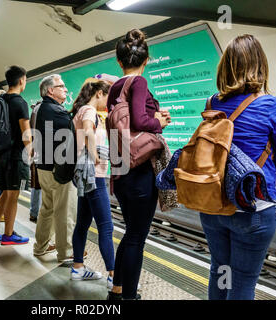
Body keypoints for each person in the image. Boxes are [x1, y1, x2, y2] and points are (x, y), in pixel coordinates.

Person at [199, 34, 276, 300]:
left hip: (214, 205)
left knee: (220, 271)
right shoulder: (270, 105)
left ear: (225, 67)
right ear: (260, 66)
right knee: (242, 283)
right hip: (254, 208)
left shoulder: (212, 104)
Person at [106, 29, 171, 300]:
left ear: (119, 61)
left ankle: (118, 290)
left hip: (121, 173)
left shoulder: (114, 88)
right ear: (147, 60)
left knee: (129, 233)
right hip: (140, 173)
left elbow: (128, 122)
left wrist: (152, 114)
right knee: (136, 238)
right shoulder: (139, 83)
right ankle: (129, 298)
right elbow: (142, 123)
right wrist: (160, 123)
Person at [70, 80, 115, 288]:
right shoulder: (89, 110)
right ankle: (114, 276)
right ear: (99, 93)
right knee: (106, 227)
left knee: (82, 224)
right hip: (94, 175)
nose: (108, 102)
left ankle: (77, 268)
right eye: (107, 97)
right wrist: (95, 154)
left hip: (83, 175)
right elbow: (88, 131)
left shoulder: (80, 110)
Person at [32, 74, 78, 262]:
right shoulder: (55, 111)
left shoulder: (43, 108)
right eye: (62, 86)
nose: (66, 89)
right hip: (57, 169)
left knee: (47, 208)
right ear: (51, 90)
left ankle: (40, 246)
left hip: (44, 167)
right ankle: (65, 252)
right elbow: (75, 130)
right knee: (65, 210)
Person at [0, 66, 32, 245]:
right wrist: (32, 152)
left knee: (5, 193)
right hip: (16, 156)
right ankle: (9, 234)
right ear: (21, 80)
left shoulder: (1, 99)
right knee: (13, 196)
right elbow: (26, 133)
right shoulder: (20, 102)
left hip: (2, 155)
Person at [29, 102, 42, 223]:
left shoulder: (34, 111)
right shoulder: (43, 109)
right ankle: (37, 212)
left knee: (36, 184)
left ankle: (34, 212)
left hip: (35, 149)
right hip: (42, 151)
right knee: (40, 184)